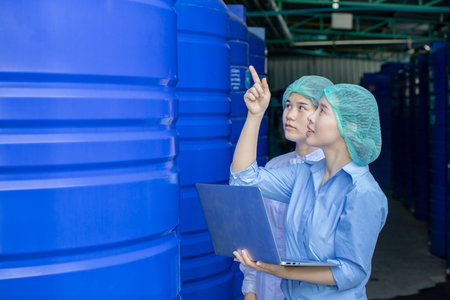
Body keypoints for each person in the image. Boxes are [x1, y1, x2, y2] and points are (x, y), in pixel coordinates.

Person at [231, 66, 388, 299]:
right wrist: (255, 115)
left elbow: (351, 271)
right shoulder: (303, 175)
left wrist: (279, 270)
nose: (310, 117)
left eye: (321, 110)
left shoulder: (362, 192)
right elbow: (245, 180)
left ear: (349, 127)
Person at [240, 75, 333, 300]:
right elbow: (257, 235)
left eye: (302, 107)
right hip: (267, 288)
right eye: (288, 106)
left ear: (322, 114)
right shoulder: (275, 167)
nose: (290, 115)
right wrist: (250, 289)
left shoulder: (333, 173)